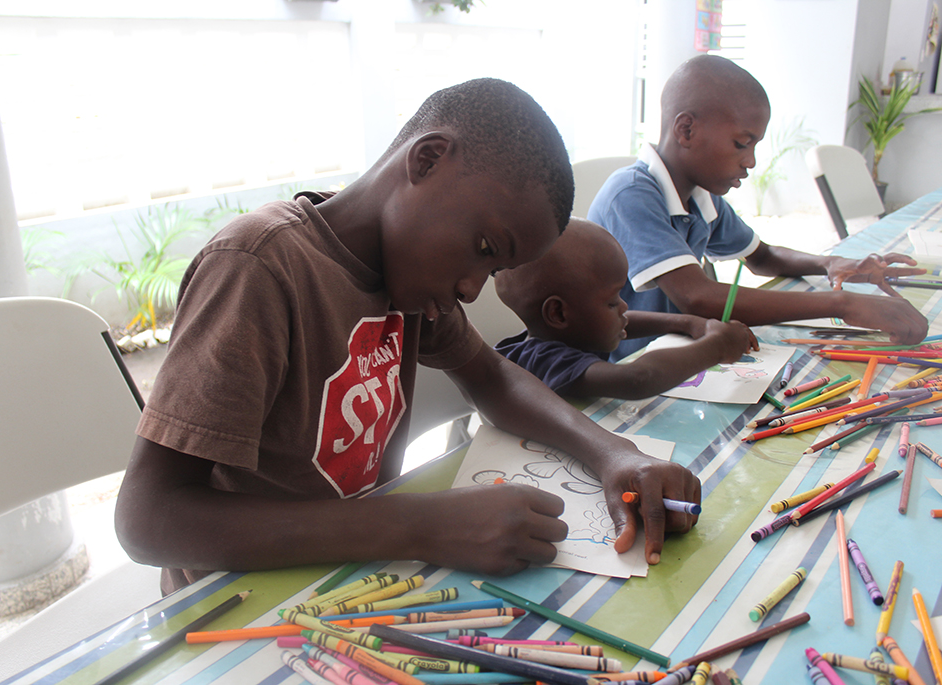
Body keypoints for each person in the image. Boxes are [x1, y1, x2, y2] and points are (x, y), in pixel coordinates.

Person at [114, 79, 699, 595]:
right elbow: (148, 520)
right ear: (427, 160)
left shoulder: (408, 279)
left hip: (355, 578)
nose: (473, 289)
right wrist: (420, 524)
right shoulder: (261, 269)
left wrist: (615, 453)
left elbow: (492, 377)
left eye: (493, 271)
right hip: (241, 603)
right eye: (485, 249)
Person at [587, 54, 928, 362]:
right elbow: (697, 296)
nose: (750, 161)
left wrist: (830, 263)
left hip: (678, 356)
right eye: (741, 143)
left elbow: (762, 257)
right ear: (686, 129)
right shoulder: (631, 196)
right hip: (620, 369)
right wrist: (843, 303)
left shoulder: (701, 199)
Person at [494, 218, 759, 399]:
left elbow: (621, 321)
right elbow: (639, 378)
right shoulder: (542, 362)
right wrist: (717, 347)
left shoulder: (570, 331)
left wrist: (688, 323)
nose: (623, 306)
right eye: (611, 302)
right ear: (559, 313)